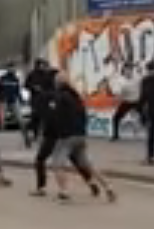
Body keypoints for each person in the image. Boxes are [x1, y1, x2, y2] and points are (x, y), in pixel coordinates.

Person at [31, 69, 99, 197]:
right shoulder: (67, 94)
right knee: (76, 159)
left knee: (40, 159)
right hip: (68, 131)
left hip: (52, 133)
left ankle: (41, 187)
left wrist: (40, 131)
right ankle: (90, 182)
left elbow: (42, 115)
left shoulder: (45, 96)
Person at [50, 73, 117, 203]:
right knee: (87, 164)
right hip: (80, 135)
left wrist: (55, 130)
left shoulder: (60, 97)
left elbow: (56, 116)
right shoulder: (76, 97)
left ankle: (64, 192)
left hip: (67, 136)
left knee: (58, 164)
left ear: (57, 83)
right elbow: (83, 114)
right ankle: (108, 187)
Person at [0, 62, 29, 147]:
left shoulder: (15, 79)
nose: (12, 69)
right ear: (7, 68)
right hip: (4, 101)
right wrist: (0, 98)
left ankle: (27, 139)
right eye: (10, 67)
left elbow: (18, 91)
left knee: (20, 120)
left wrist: (21, 100)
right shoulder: (2, 78)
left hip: (13, 100)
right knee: (0, 121)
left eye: (13, 68)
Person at [110, 62, 142, 142]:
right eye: (126, 70)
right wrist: (118, 93)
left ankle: (149, 134)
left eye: (130, 70)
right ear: (123, 70)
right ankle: (115, 135)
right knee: (116, 118)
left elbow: (143, 85)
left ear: (132, 70)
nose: (128, 71)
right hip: (126, 101)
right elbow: (117, 92)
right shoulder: (120, 80)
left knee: (147, 116)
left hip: (136, 101)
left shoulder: (137, 78)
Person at [23, 59, 51, 144]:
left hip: (44, 99)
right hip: (35, 99)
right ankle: (33, 132)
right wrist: (33, 87)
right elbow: (26, 85)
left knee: (44, 117)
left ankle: (41, 135)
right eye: (40, 65)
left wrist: (48, 93)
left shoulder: (46, 75)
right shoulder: (32, 75)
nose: (42, 67)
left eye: (43, 65)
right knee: (36, 117)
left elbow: (50, 86)